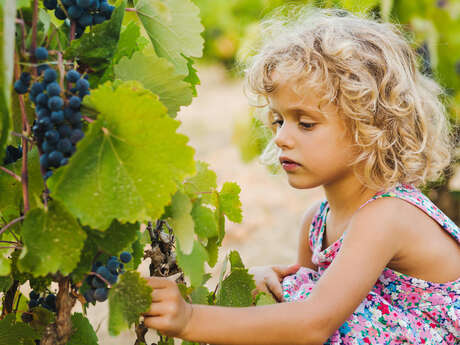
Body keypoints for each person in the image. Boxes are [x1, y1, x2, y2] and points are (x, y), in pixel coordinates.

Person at [142, 6, 460, 344]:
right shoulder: (316, 223)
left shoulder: (387, 215)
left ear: (369, 128)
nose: (281, 137)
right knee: (294, 288)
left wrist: (191, 320)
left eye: (305, 123)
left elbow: (313, 324)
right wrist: (265, 286)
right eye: (279, 121)